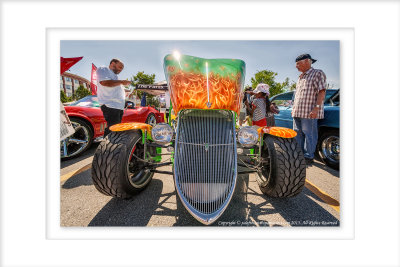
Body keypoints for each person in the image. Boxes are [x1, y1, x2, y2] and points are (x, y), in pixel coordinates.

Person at [292, 53, 326, 165]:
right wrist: (294, 108)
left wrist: (316, 108)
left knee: (309, 134)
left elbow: (322, 91)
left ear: (307, 61)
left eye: (298, 64)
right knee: (298, 134)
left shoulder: (317, 73)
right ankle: (299, 154)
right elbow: (297, 95)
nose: (296, 66)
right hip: (297, 111)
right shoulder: (300, 77)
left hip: (309, 111)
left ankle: (309, 156)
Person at [96, 58, 131, 137]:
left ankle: (111, 146)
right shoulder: (104, 69)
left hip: (117, 106)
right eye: (120, 67)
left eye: (122, 68)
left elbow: (114, 87)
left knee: (115, 129)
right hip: (110, 105)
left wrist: (124, 91)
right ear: (112, 63)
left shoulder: (115, 77)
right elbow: (104, 82)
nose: (121, 69)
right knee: (113, 130)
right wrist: (122, 82)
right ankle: (107, 147)